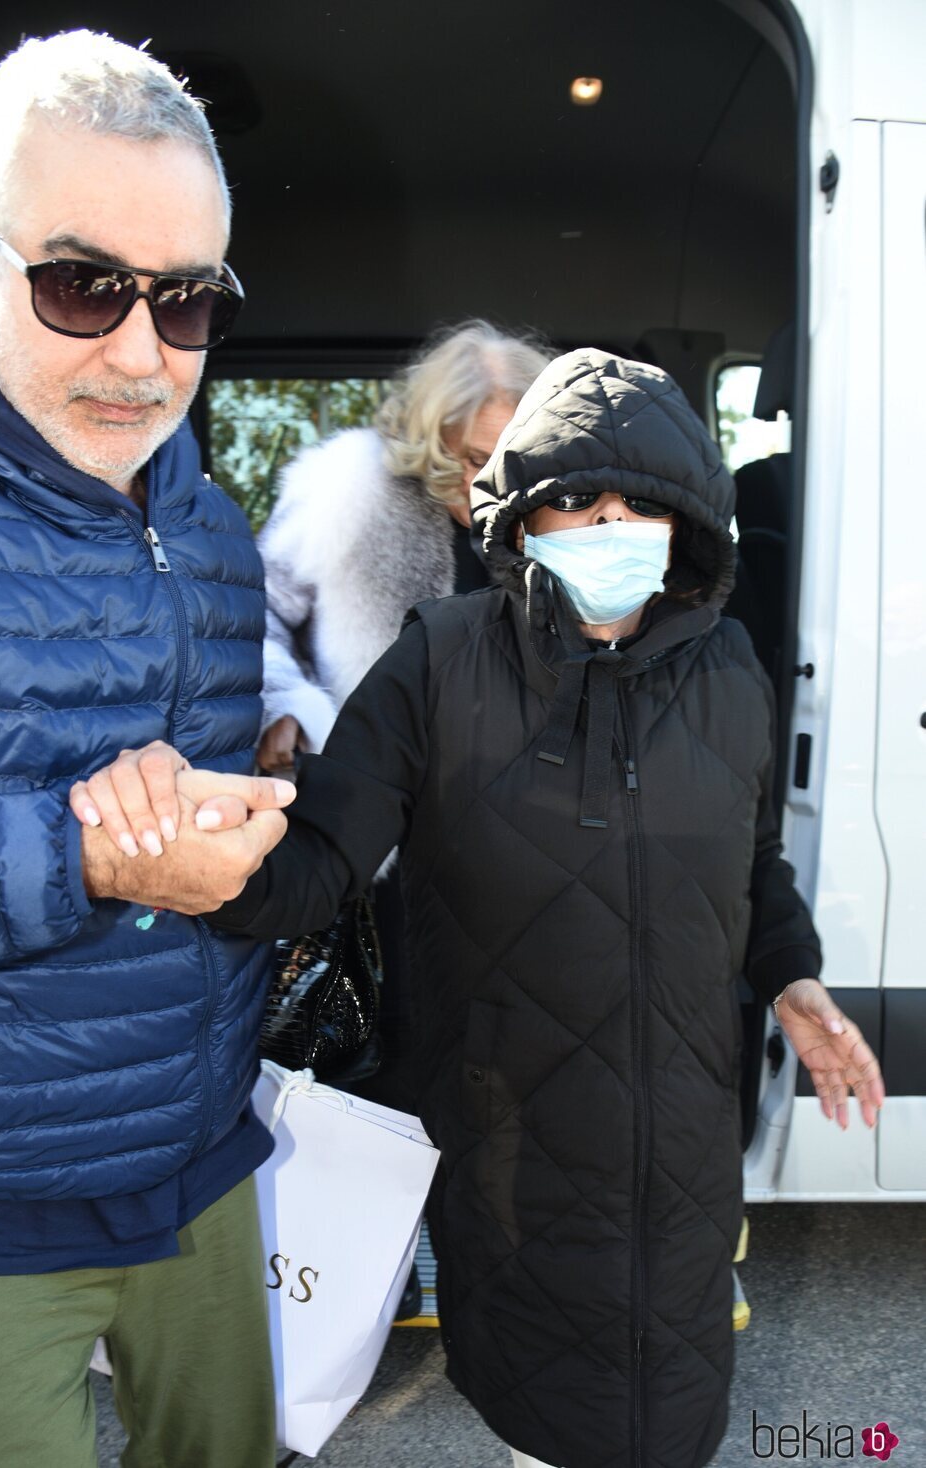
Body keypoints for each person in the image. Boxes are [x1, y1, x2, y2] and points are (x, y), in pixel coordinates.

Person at [75, 349, 885, 1468]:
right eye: (571, 502)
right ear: (521, 520)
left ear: (683, 522)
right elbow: (317, 864)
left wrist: (792, 980)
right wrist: (186, 858)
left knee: (675, 1419)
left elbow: (753, 866)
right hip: (514, 1156)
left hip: (684, 1158)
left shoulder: (728, 670)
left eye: (635, 504)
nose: (606, 526)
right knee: (551, 1427)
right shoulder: (440, 660)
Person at [0, 31, 294, 1468]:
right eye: (84, 286)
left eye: (187, 300)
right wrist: (87, 846)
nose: (141, 354)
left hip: (204, 1165)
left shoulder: (212, 528)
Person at [256, 320, 549, 1121]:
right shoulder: (349, 492)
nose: (489, 478)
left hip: (516, 857)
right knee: (385, 1075)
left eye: (512, 456)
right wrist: (288, 707)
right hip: (379, 849)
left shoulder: (563, 519)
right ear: (432, 435)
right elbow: (251, 619)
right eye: (469, 455)